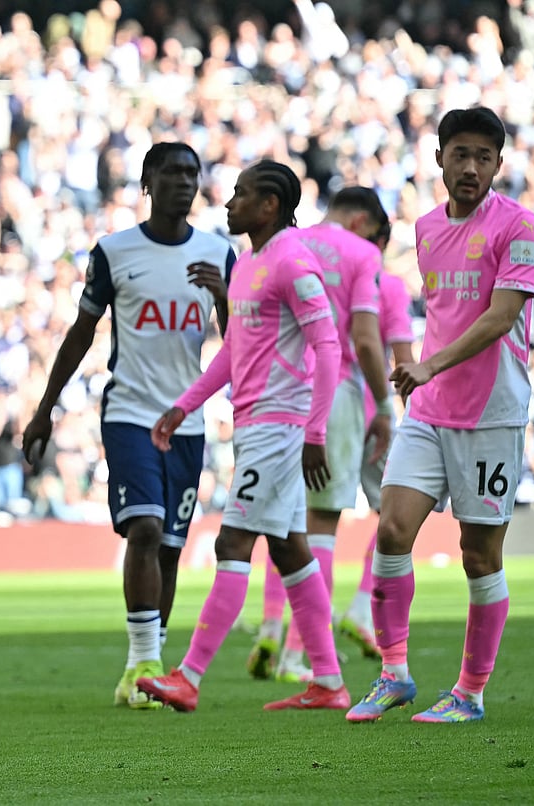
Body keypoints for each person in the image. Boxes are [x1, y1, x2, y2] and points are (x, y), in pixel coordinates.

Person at [22, 142, 235, 709]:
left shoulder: (219, 253)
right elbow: (81, 332)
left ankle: (143, 666)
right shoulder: (116, 251)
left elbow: (244, 342)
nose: (184, 182)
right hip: (131, 413)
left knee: (168, 547)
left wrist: (225, 297)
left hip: (186, 421)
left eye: (192, 173)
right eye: (172, 172)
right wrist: (45, 409)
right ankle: (144, 660)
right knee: (143, 528)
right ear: (147, 182)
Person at [346, 106, 534, 723]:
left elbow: (500, 317)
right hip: (430, 410)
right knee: (392, 531)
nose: (471, 166)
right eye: (460, 153)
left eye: (484, 156)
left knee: (479, 556)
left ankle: (470, 693)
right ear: (439, 158)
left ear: (498, 166)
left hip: (492, 413)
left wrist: (430, 365)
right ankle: (394, 673)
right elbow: (443, 314)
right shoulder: (427, 227)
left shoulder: (520, 226)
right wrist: (415, 367)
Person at [136, 159, 349, 713]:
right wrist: (182, 407)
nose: (228, 203)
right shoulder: (249, 263)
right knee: (289, 550)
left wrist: (315, 429)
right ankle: (328, 680)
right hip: (255, 424)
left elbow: (327, 346)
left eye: (240, 194)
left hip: (281, 425)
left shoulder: (294, 261)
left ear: (269, 205)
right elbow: (233, 352)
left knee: (233, 543)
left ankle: (189, 675)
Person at [247, 186, 392, 683]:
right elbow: (367, 339)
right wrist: (386, 403)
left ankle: (270, 626)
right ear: (361, 222)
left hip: (278, 392)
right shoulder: (363, 253)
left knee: (285, 522)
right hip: (335, 392)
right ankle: (298, 653)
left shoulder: (286, 242)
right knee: (324, 524)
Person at [338, 218, 415, 658]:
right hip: (370, 409)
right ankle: (362, 611)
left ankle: (286, 640)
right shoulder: (388, 287)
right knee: (398, 512)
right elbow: (401, 359)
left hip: (318, 406)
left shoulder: (325, 278)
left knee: (307, 522)